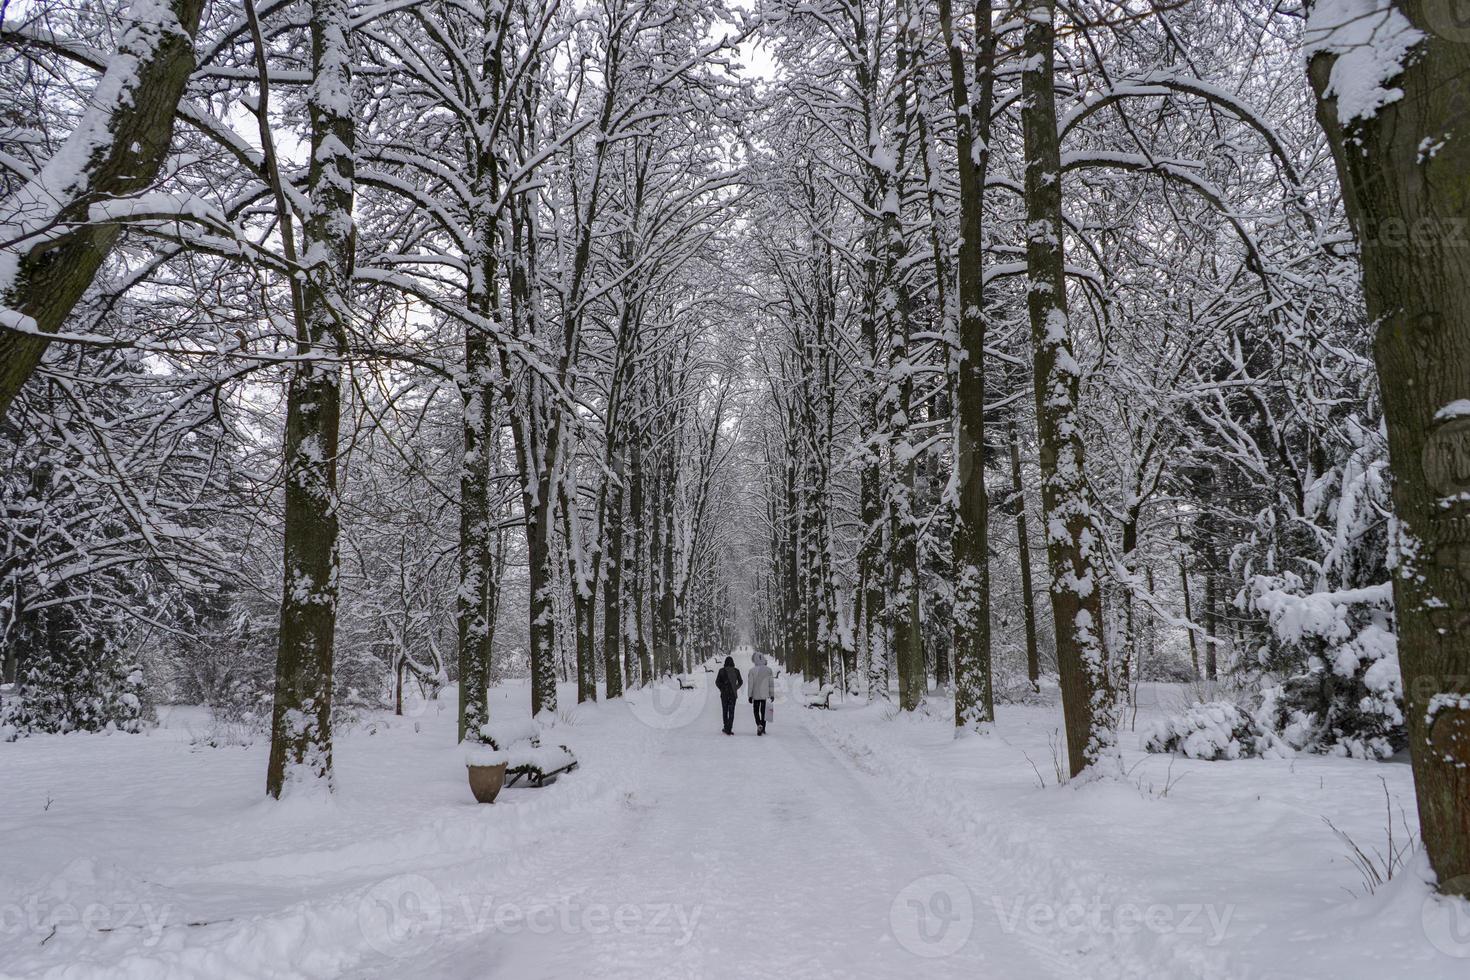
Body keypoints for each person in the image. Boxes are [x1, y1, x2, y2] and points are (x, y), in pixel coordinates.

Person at [747, 652, 774, 736]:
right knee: (763, 712)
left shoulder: (752, 671)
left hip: (755, 695)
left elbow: (750, 684)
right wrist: (772, 694)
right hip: (764, 695)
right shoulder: (769, 670)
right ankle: (763, 728)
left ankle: (758, 724)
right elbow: (771, 683)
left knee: (755, 711)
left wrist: (750, 695)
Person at [715, 655, 742, 735]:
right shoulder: (736, 671)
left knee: (725, 710)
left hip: (724, 694)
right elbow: (741, 682)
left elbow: (717, 682)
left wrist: (722, 688)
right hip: (733, 694)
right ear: (733, 662)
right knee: (731, 711)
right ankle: (729, 728)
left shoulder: (721, 671)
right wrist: (735, 687)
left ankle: (726, 727)